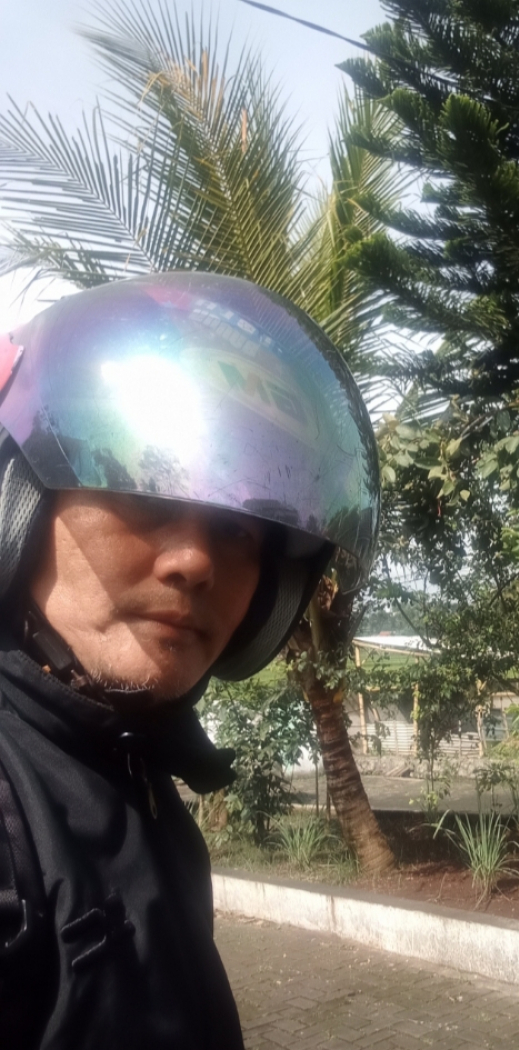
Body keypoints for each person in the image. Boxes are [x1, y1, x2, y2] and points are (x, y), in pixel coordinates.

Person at [0, 272, 380, 1049]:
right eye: (143, 489)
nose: (196, 563)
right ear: (21, 506)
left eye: (239, 530)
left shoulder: (132, 767)